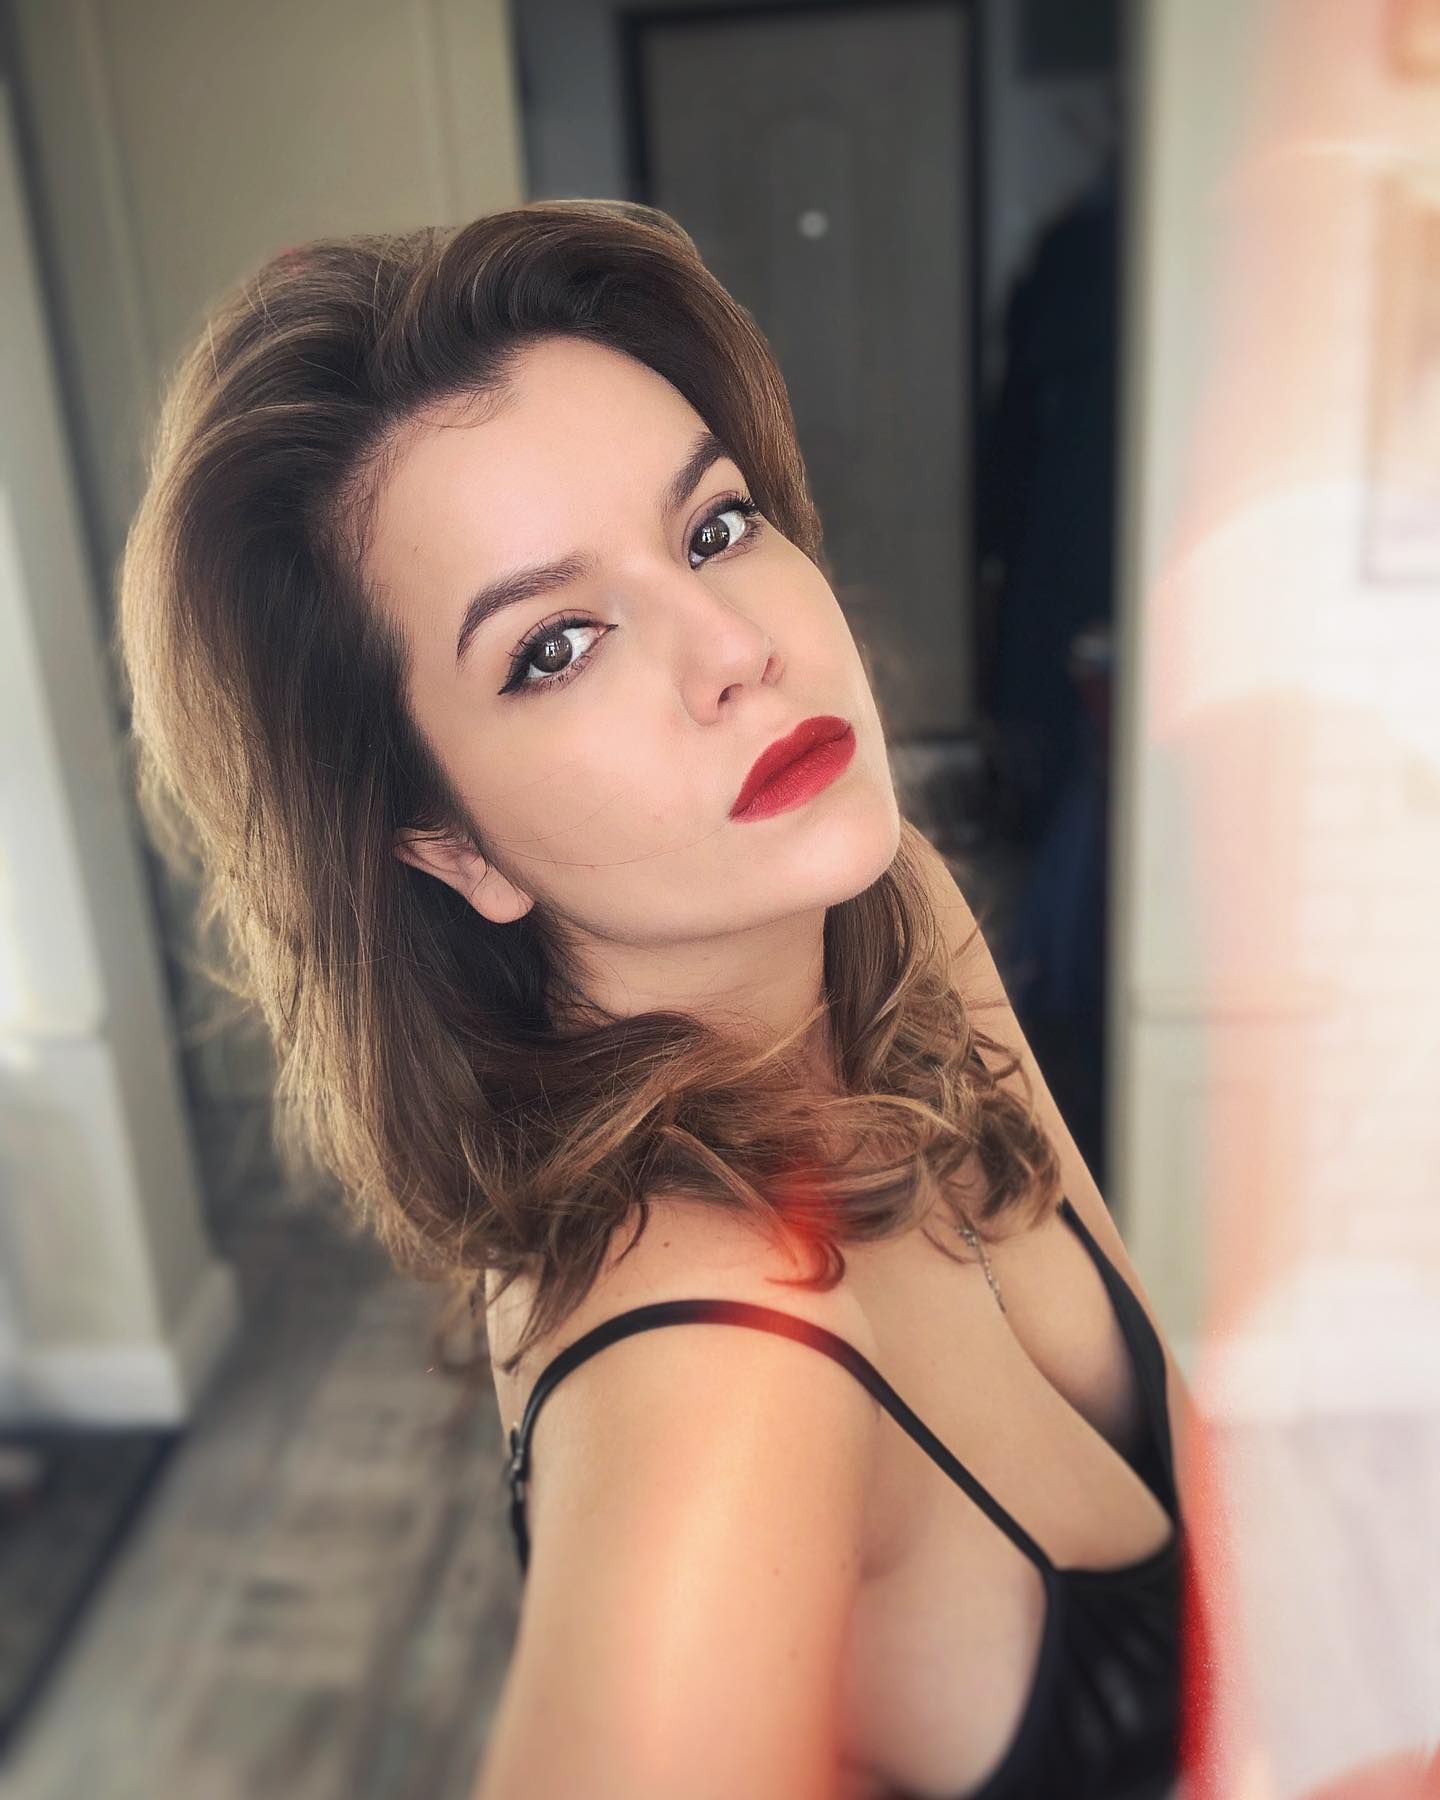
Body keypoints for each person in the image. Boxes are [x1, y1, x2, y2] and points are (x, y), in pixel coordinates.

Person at [117, 199, 1198, 1799]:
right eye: (557, 646)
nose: (733, 647)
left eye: (712, 528)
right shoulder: (713, 1364)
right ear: (450, 846)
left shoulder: (886, 911)